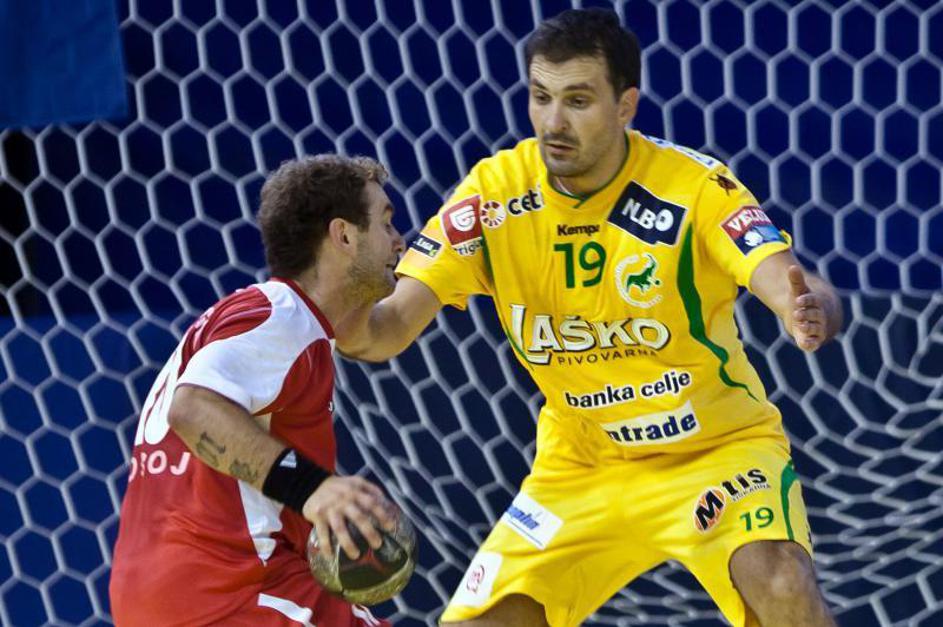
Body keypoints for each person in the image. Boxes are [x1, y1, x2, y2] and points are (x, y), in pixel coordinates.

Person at [336, 8, 842, 627]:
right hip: (580, 467)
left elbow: (788, 279)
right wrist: (330, 299)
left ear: (625, 105)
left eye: (577, 100)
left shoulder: (693, 187)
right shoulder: (494, 195)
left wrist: (807, 308)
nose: (554, 122)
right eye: (540, 97)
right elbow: (384, 331)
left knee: (782, 582)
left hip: (715, 453)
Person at [110, 154, 405, 626]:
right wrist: (313, 489)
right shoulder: (283, 317)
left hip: (163, 589)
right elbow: (191, 409)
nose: (398, 240)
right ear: (344, 236)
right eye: (386, 223)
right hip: (230, 588)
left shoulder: (267, 319)